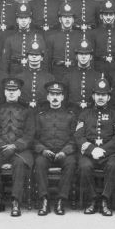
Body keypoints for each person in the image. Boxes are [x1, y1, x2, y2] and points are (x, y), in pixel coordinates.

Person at [74, 77, 115, 216]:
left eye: (104, 95)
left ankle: (105, 200)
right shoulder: (84, 114)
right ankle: (92, 199)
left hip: (108, 153)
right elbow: (79, 136)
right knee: (84, 166)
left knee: (113, 165)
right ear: (93, 96)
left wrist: (103, 150)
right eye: (98, 94)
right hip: (89, 153)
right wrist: (91, 149)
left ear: (108, 97)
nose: (100, 97)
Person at [0, 77, 35, 216]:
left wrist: (15, 146)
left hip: (20, 150)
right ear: (4, 92)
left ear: (19, 92)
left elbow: (30, 134)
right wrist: (1, 146)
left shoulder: (28, 111)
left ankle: (16, 201)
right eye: (8, 90)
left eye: (14, 90)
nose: (11, 93)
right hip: (0, 150)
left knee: (20, 163)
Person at [32, 81, 78, 216]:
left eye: (58, 94)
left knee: (71, 163)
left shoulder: (70, 115)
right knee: (39, 163)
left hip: (64, 153)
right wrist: (43, 150)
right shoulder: (40, 116)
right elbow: (33, 138)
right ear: (48, 97)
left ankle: (61, 200)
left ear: (63, 97)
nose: (55, 97)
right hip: (46, 153)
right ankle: (44, 200)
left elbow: (75, 138)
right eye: (52, 94)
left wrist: (65, 151)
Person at [45, 0, 82, 84]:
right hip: (57, 73)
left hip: (75, 73)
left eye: (70, 17)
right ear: (60, 19)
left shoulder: (80, 37)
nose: (67, 19)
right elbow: (48, 61)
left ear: (73, 19)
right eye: (65, 17)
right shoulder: (52, 37)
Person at [90, 0, 115, 78]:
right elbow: (91, 56)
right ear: (101, 16)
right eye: (106, 14)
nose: (108, 17)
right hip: (99, 69)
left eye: (111, 14)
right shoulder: (94, 33)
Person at [65, 39, 102, 113]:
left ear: (91, 57)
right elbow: (64, 99)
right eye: (81, 54)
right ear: (76, 56)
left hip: (91, 113)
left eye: (86, 54)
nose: (83, 57)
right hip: (72, 112)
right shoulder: (68, 76)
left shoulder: (98, 76)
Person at [18, 36, 55, 109]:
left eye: (37, 55)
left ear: (41, 58)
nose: (34, 57)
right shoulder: (19, 77)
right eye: (31, 55)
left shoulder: (49, 78)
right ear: (27, 57)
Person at [0, 3, 35, 76]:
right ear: (17, 20)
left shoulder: (37, 38)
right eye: (21, 18)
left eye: (26, 18)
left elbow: (43, 62)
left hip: (31, 73)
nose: (23, 20)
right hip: (14, 72)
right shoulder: (10, 39)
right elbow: (5, 61)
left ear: (30, 20)